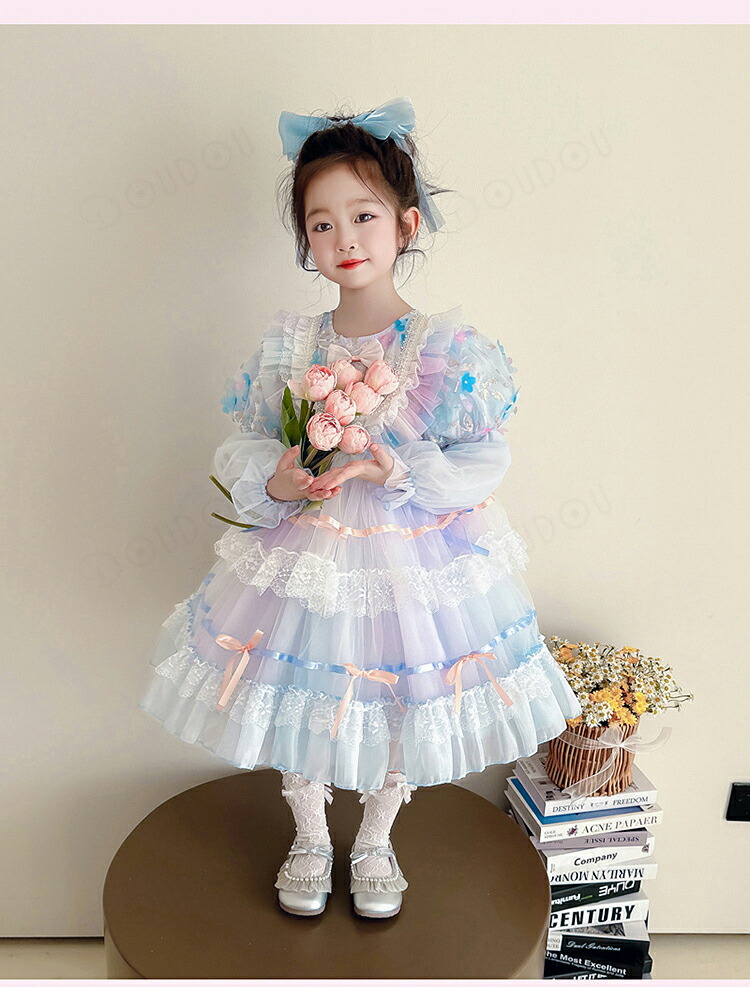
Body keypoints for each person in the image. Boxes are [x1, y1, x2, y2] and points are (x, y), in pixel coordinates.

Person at [139, 96, 582, 920]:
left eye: (363, 216)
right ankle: (310, 833)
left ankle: (376, 836)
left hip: (412, 563)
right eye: (321, 223)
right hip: (307, 560)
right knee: (296, 678)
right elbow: (245, 444)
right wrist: (280, 480)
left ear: (406, 225)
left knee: (398, 690)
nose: (343, 238)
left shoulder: (443, 351)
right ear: (304, 241)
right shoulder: (292, 350)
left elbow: (484, 458)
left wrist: (397, 467)